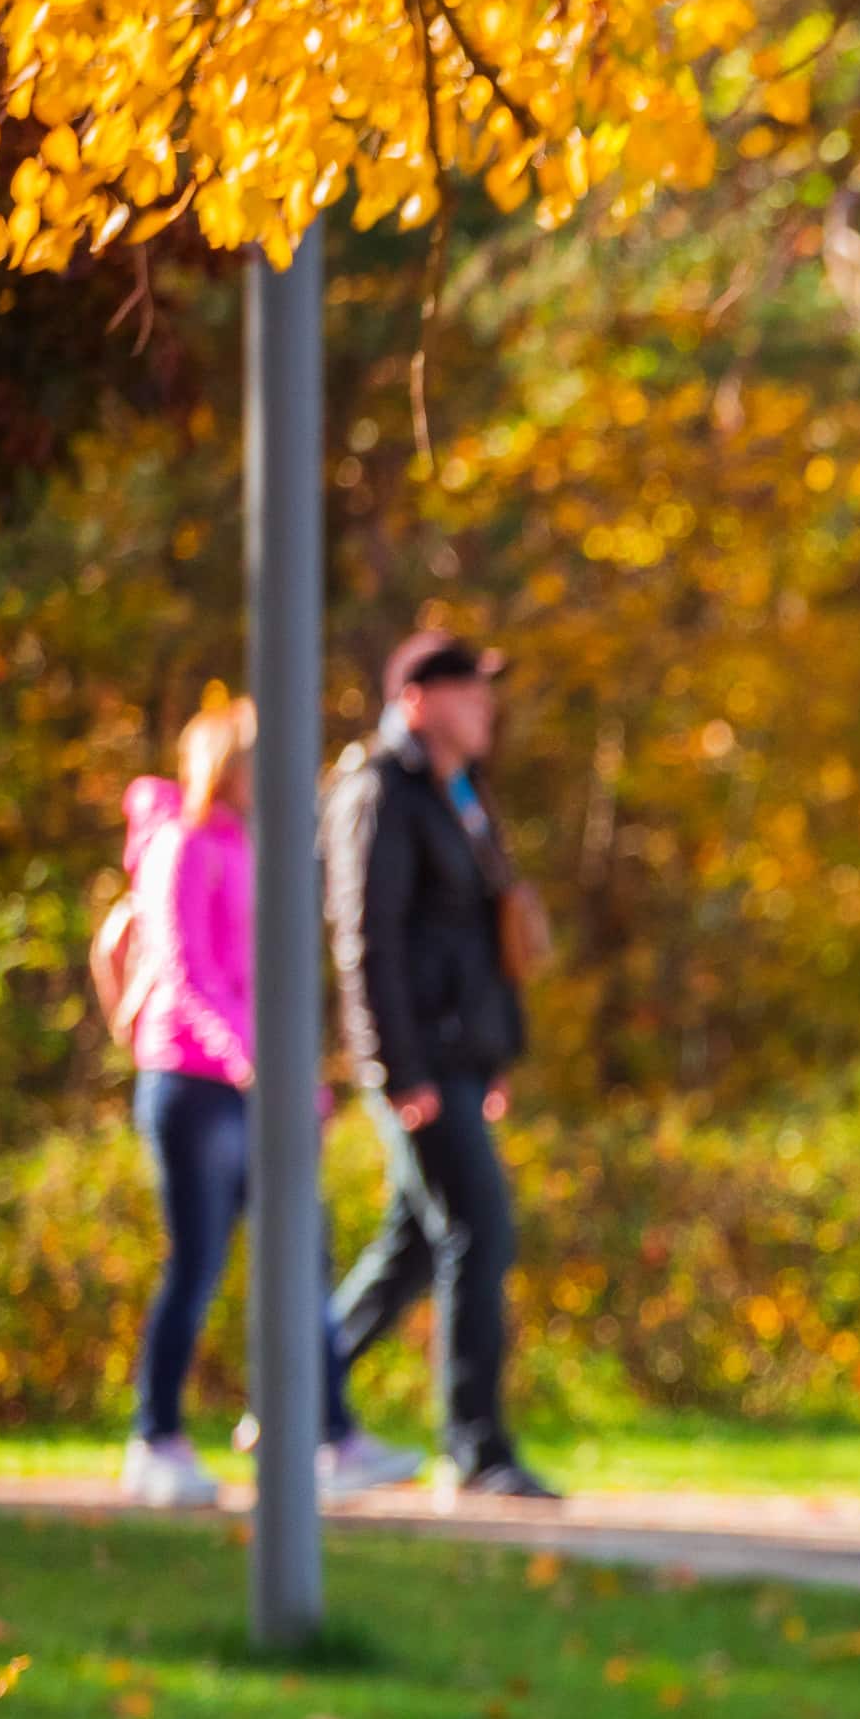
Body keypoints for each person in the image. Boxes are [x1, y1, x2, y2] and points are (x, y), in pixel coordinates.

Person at [104, 702, 414, 1508]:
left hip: (255, 1085)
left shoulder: (252, 848)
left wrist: (296, 1080)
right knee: (200, 1261)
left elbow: (265, 982)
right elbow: (185, 969)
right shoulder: (181, 845)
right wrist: (250, 1063)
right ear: (228, 763)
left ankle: (329, 1434)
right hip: (194, 1084)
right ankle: (155, 1437)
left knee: (302, 1251)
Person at [324, 629, 560, 1501]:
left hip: (464, 1055)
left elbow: (486, 935)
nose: (485, 706)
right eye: (468, 691)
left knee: (415, 1246)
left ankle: (296, 1393)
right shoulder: (379, 791)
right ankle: (478, 1447)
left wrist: (496, 1054)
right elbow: (366, 940)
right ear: (417, 700)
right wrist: (396, 1067)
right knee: (478, 1232)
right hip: (418, 1062)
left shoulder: (464, 794)